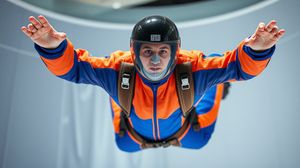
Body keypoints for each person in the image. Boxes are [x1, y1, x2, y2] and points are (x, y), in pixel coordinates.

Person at [21, 15, 285, 152]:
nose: (156, 60)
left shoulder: (191, 66)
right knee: (114, 87)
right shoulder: (119, 67)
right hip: (130, 139)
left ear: (175, 51)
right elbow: (75, 68)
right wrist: (52, 46)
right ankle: (116, 93)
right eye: (148, 52)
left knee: (216, 69)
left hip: (189, 133)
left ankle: (211, 86)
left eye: (162, 52)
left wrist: (257, 50)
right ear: (134, 51)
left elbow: (237, 67)